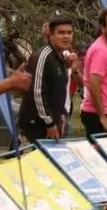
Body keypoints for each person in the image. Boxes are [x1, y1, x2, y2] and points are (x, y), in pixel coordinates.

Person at [18, 15, 74, 143]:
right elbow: (37, 91)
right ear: (51, 35)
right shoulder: (43, 56)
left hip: (54, 122)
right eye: (61, 33)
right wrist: (49, 121)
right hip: (36, 125)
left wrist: (61, 114)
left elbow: (57, 91)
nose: (66, 36)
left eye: (69, 33)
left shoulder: (60, 58)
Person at [80, 9, 107, 139]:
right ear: (102, 27)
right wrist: (102, 116)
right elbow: (94, 84)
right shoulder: (101, 50)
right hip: (96, 114)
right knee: (102, 157)